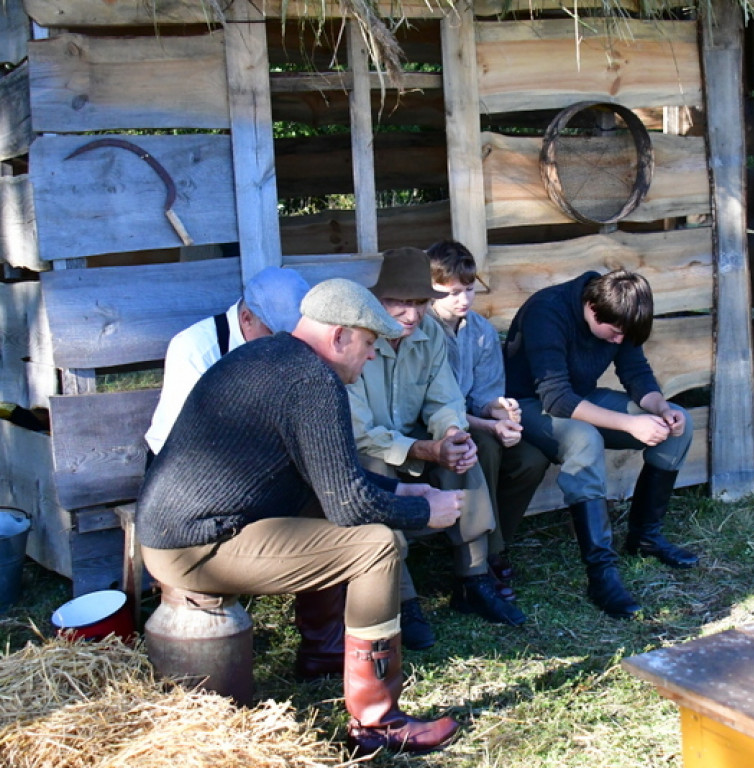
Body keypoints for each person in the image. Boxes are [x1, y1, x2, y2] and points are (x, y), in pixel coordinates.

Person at [136, 278, 462, 754]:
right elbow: (351, 506)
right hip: (195, 548)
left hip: (181, 531)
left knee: (340, 517)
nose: (372, 356)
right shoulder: (313, 381)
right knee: (378, 546)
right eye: (369, 343)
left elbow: (330, 478)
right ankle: (377, 723)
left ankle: (323, 653)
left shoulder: (267, 356)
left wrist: (400, 486)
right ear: (339, 337)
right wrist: (422, 511)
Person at [347, 247, 527, 649]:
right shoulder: (358, 339)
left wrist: (449, 435)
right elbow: (360, 432)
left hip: (413, 440)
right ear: (378, 301)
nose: (411, 315)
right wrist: (428, 449)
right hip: (374, 449)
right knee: (373, 464)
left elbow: (444, 400)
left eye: (419, 303)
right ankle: (402, 599)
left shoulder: (428, 337)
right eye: (400, 303)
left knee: (464, 448)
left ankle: (474, 578)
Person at [503, 269, 696, 619]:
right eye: (615, 334)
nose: (619, 341)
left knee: (680, 423)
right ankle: (601, 573)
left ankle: (645, 537)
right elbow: (556, 398)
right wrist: (629, 423)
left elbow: (636, 374)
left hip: (579, 395)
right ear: (591, 307)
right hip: (526, 403)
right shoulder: (547, 310)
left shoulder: (620, 311)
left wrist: (661, 408)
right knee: (584, 439)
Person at [425, 240, 550, 593]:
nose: (462, 300)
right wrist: (490, 426)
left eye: (468, 290)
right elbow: (434, 405)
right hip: (435, 427)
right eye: (450, 293)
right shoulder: (422, 329)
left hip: (473, 419)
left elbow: (483, 394)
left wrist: (501, 410)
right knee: (486, 446)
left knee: (531, 458)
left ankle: (497, 540)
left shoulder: (479, 330)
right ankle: (488, 556)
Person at [145, 266, 310, 454]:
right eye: (274, 333)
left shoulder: (290, 347)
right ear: (246, 318)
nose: (285, 344)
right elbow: (190, 438)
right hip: (182, 463)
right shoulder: (194, 349)